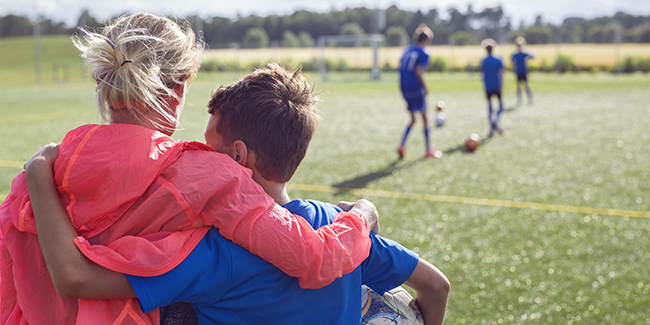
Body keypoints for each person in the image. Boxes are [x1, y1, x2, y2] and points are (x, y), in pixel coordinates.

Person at [0, 14, 377, 325]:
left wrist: (36, 172)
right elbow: (312, 257)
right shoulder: (208, 176)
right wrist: (362, 214)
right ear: (178, 91)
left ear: (103, 83)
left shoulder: (53, 164)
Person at [24, 63, 450, 325]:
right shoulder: (342, 230)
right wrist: (364, 212)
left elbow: (76, 278)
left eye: (208, 149)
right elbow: (436, 288)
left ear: (239, 157)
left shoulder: (214, 252)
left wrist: (40, 172)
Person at [397, 23, 442, 160]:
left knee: (413, 119)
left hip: (403, 87)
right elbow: (418, 71)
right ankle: (428, 149)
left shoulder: (406, 50)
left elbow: (400, 68)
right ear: (426, 40)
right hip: (415, 87)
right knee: (425, 119)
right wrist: (425, 87)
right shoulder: (425, 52)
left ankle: (402, 145)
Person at [480, 38, 505, 137]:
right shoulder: (498, 59)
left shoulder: (484, 61)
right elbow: (502, 73)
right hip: (497, 85)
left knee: (490, 106)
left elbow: (482, 74)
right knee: (501, 106)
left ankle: (491, 126)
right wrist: (501, 85)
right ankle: (495, 123)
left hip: (487, 86)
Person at [511, 36, 534, 105]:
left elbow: (532, 56)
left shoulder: (524, 53)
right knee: (518, 86)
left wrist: (527, 60)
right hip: (518, 71)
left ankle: (530, 99)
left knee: (526, 85)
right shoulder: (515, 54)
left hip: (524, 71)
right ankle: (519, 99)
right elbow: (511, 60)